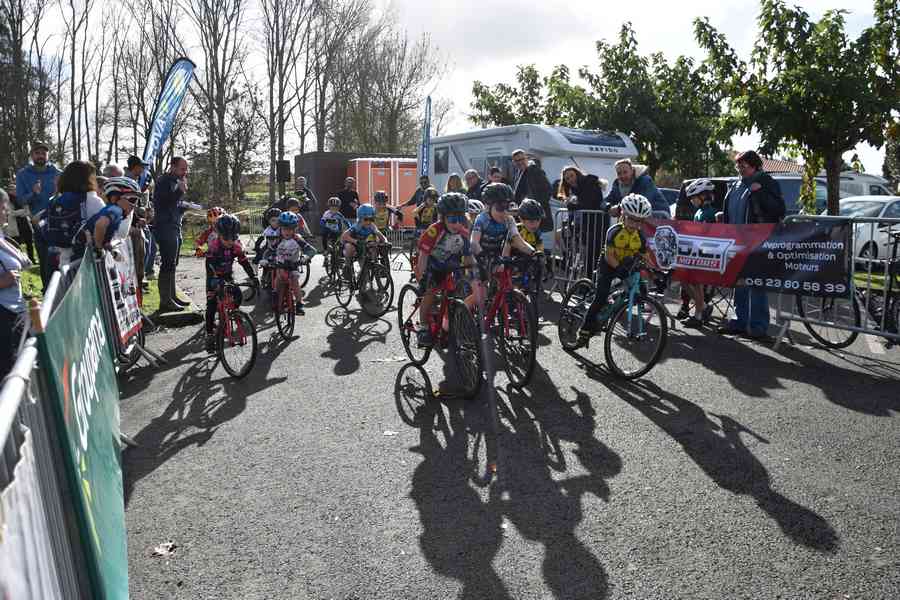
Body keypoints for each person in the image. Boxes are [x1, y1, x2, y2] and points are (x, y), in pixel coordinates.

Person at [717, 150, 785, 339]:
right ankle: (739, 321)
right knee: (739, 281)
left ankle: (758, 327)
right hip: (737, 241)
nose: (740, 169)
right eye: (738, 165)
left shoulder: (766, 182)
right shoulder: (737, 183)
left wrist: (760, 192)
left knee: (756, 284)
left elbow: (778, 209)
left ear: (754, 165)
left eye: (743, 166)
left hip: (758, 240)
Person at [578, 194, 653, 339]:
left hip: (626, 265)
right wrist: (620, 269)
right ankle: (585, 326)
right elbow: (609, 256)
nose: (635, 225)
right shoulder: (614, 231)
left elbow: (646, 257)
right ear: (623, 215)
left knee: (640, 288)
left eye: (640, 221)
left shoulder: (640, 237)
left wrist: (657, 272)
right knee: (601, 295)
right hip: (608, 264)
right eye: (631, 219)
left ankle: (615, 304)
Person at [415, 192, 475, 346]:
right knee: (431, 293)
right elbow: (422, 259)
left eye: (460, 219)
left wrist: (473, 274)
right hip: (432, 265)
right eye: (452, 219)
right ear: (443, 218)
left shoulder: (464, 231)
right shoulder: (434, 230)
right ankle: (423, 326)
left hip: (452, 265)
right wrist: (422, 281)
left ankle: (448, 324)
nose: (457, 224)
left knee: (457, 294)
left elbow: (468, 257)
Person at [470, 183, 535, 305]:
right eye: (500, 208)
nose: (504, 212)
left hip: (495, 256)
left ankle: (499, 312)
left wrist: (534, 252)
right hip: (477, 256)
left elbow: (518, 241)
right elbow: (474, 242)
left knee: (506, 286)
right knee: (481, 296)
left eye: (508, 207)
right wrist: (483, 256)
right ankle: (459, 318)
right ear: (488, 206)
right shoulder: (482, 219)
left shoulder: (509, 220)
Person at [203, 214, 258, 352]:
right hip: (213, 276)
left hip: (227, 275)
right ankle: (209, 335)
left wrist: (253, 277)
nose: (230, 241)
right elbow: (209, 266)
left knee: (237, 296)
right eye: (226, 238)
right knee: (211, 306)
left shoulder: (236, 246)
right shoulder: (214, 246)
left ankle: (232, 315)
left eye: (233, 238)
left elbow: (244, 262)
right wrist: (215, 282)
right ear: (219, 235)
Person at [40, 160, 105, 269]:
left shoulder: (56, 200)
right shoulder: (92, 200)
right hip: (88, 262)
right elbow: (106, 227)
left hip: (64, 261)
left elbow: (41, 222)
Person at [16, 142, 62, 288]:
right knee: (45, 259)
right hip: (38, 224)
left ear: (48, 155)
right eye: (37, 153)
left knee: (62, 258)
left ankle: (64, 291)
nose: (41, 156)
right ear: (32, 155)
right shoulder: (23, 174)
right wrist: (33, 194)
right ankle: (48, 292)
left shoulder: (57, 173)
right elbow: (20, 199)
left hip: (60, 221)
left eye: (43, 153)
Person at [153, 156, 195, 312]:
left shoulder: (176, 181)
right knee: (167, 263)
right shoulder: (164, 181)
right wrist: (179, 192)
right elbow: (163, 202)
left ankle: (172, 295)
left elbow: (173, 205)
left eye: (186, 168)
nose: (185, 172)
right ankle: (165, 300)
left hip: (175, 225)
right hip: (165, 227)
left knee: (173, 263)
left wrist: (184, 207)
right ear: (173, 167)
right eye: (183, 169)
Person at [677, 178, 718, 328]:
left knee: (696, 281)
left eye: (694, 198)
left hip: (707, 255)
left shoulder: (711, 213)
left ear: (704, 196)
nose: (692, 201)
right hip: (697, 253)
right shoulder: (699, 212)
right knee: (683, 278)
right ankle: (704, 307)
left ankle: (699, 314)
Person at [0, 188, 31, 380]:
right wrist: (3, 281)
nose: (7, 211)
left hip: (15, 311)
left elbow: (23, 262)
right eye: (3, 207)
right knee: (8, 372)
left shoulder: (2, 236)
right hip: (3, 314)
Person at [272, 211, 316, 315]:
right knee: (278, 279)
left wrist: (305, 257)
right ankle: (276, 302)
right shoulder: (277, 239)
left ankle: (299, 303)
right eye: (284, 229)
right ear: (280, 228)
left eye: (290, 229)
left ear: (295, 229)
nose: (287, 232)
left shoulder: (297, 239)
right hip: (281, 265)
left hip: (293, 265)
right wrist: (266, 259)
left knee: (294, 280)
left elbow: (312, 250)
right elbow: (269, 251)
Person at [85, 177, 140, 250]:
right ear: (114, 198)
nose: (134, 205)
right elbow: (100, 225)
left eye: (136, 201)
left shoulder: (116, 212)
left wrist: (106, 244)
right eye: (132, 200)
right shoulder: (116, 210)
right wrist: (99, 247)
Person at [511, 149, 552, 232]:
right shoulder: (519, 173)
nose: (520, 162)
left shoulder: (534, 170)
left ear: (526, 158)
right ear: (513, 162)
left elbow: (548, 190)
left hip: (537, 217)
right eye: (517, 160)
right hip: (526, 217)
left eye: (522, 159)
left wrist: (535, 206)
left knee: (539, 242)